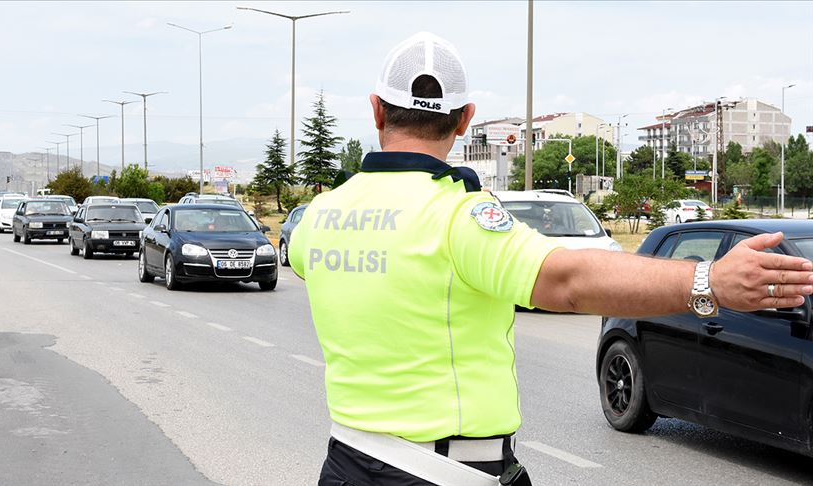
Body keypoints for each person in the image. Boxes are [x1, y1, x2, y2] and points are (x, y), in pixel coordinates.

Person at [287, 32, 813, 486]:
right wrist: (710, 280)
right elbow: (567, 281)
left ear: (376, 108)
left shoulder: (319, 220)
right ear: (466, 119)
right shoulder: (456, 216)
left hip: (346, 463)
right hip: (443, 473)